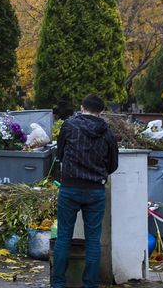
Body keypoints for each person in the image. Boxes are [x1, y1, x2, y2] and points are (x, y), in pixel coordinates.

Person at [52, 94, 119, 288]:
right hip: (96, 190)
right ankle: (90, 284)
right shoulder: (107, 133)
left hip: (70, 187)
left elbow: (60, 153)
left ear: (82, 108)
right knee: (93, 240)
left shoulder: (69, 126)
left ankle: (58, 283)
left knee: (64, 236)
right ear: (101, 112)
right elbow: (113, 164)